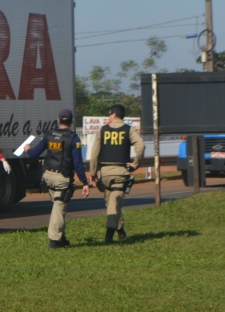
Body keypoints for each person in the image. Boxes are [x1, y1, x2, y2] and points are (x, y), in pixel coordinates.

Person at [22, 109, 91, 249]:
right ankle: (54, 240)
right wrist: (84, 182)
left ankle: (61, 237)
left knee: (59, 208)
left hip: (48, 177)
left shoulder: (49, 135)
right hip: (62, 178)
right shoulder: (74, 139)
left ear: (58, 120)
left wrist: (27, 149)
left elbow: (34, 153)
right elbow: (77, 163)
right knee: (59, 207)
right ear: (72, 121)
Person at [89, 104, 144, 243]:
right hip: (120, 173)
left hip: (105, 173)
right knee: (114, 204)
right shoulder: (129, 130)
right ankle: (109, 235)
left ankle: (120, 231)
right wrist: (136, 164)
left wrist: (93, 172)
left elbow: (94, 153)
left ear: (113, 115)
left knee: (111, 203)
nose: (108, 117)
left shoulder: (102, 130)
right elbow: (141, 146)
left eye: (109, 114)